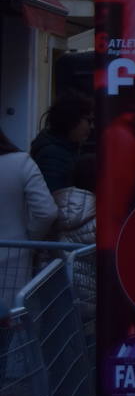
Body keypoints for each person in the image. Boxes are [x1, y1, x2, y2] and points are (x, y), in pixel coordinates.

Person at [0, 127, 60, 307]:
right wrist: (30, 239)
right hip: (12, 259)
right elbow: (46, 212)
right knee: (13, 323)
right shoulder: (21, 162)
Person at [29, 94, 93, 194]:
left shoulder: (66, 148)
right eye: (88, 121)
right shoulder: (52, 155)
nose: (91, 126)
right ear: (72, 120)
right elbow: (56, 198)